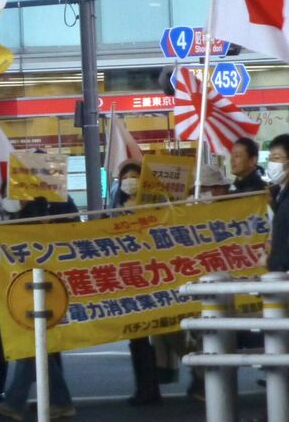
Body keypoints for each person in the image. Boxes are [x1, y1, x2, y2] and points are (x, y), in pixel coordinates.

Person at [0, 197, 77, 421]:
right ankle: (59, 401)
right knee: (36, 343)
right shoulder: (9, 199)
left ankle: (15, 401)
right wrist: (12, 211)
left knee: (33, 343)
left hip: (50, 277)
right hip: (18, 280)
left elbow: (74, 229)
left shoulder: (57, 199)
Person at [112, 161, 161, 406]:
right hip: (130, 279)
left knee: (169, 336)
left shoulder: (156, 206)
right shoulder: (115, 209)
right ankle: (146, 388)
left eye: (135, 176)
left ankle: (153, 386)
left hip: (156, 276)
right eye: (126, 176)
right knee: (138, 337)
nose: (130, 180)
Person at [268, 134, 289, 272]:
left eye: (276, 158)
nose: (271, 164)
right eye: (269, 159)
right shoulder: (279, 195)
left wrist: (270, 261)